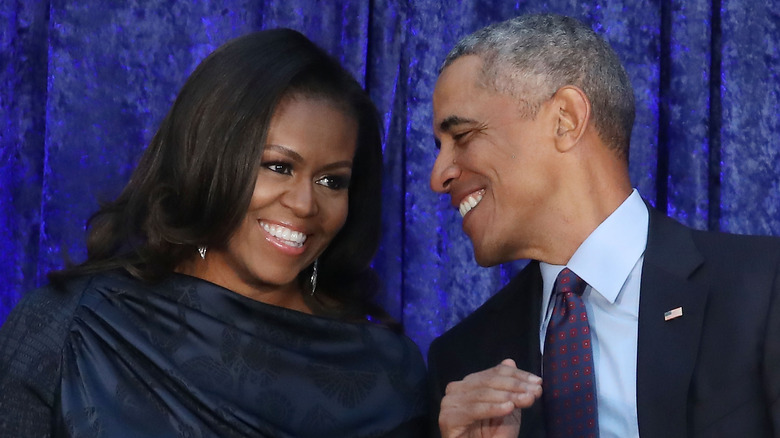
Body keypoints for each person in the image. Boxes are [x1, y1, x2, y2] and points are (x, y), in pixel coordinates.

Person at [0, 29, 427, 437]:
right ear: (206, 161)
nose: (304, 204)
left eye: (333, 181)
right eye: (278, 167)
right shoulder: (71, 324)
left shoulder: (384, 376)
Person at [426, 13, 780, 438]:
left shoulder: (764, 287)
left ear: (566, 119)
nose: (438, 175)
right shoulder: (463, 362)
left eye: (462, 136)